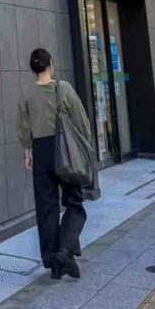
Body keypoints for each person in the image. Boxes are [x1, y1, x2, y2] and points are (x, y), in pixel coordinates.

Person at [17, 47, 92, 280]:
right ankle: (65, 249)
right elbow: (81, 122)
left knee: (46, 208)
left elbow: (23, 128)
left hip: (41, 151)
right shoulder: (64, 88)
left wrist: (27, 152)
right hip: (66, 151)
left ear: (33, 69)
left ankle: (54, 262)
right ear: (51, 64)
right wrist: (85, 145)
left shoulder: (27, 93)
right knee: (74, 202)